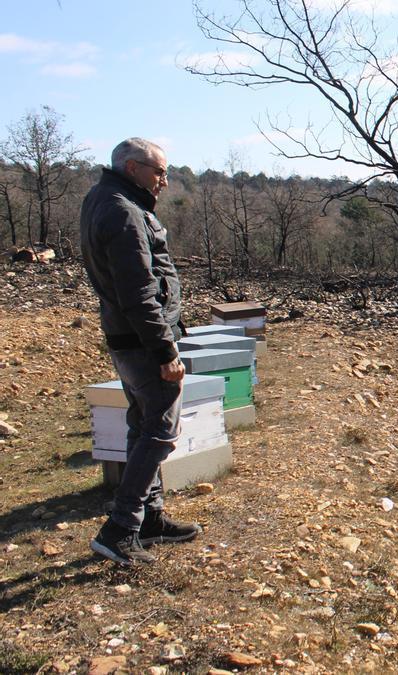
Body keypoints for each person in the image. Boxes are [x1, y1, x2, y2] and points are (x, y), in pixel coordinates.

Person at [79, 138, 202, 565]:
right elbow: (138, 291)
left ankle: (149, 520)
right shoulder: (123, 211)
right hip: (144, 341)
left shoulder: (105, 199)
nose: (164, 182)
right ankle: (120, 528)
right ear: (133, 168)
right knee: (160, 431)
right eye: (159, 172)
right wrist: (166, 349)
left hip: (127, 338)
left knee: (141, 423)